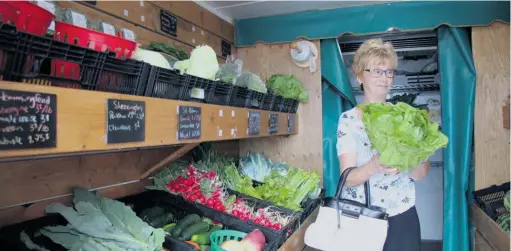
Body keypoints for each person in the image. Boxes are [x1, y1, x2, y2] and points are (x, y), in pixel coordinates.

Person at [336, 38, 430, 251]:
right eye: (377, 71)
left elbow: (422, 173)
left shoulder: (406, 116)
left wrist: (410, 159)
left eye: (389, 72)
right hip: (363, 217)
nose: (384, 78)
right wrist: (374, 166)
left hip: (402, 216)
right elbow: (347, 179)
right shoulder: (349, 120)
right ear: (360, 75)